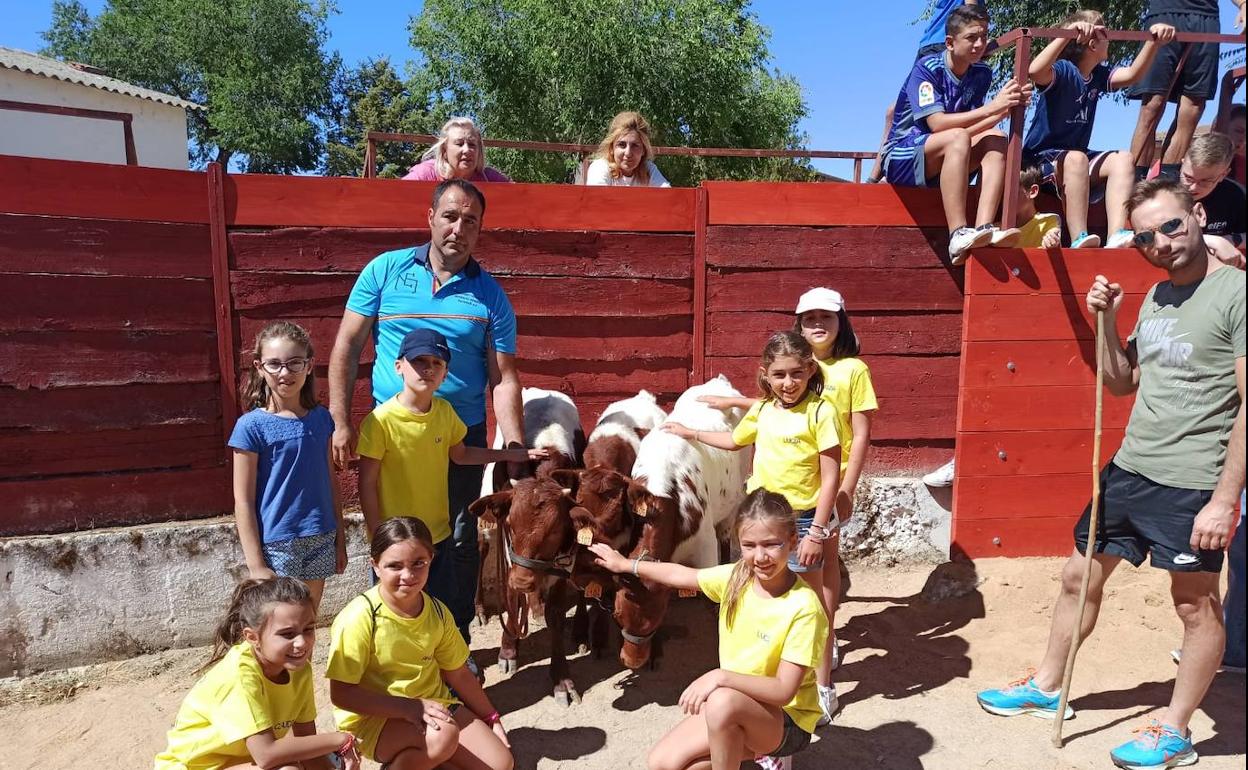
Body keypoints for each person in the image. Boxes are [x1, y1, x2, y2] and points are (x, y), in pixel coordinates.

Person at [976, 178, 1245, 769]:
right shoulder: (1154, 298)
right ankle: (1048, 688)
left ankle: (1175, 729)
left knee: (1194, 605)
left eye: (1172, 226)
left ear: (1198, 215)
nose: (1163, 243)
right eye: (1147, 236)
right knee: (1078, 577)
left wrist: (1225, 499)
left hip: (1192, 480)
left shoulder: (1238, 295)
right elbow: (1121, 382)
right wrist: (1106, 321)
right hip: (1128, 470)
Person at [330, 179, 526, 647]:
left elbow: (504, 378)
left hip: (458, 436)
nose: (459, 228)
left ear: (481, 230)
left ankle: (453, 642)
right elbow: (347, 346)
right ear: (431, 218)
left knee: (457, 541)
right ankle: (392, 639)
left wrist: (513, 447)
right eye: (450, 216)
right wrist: (340, 420)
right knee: (392, 538)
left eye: (471, 221)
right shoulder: (384, 271)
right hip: (393, 434)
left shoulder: (489, 295)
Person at [664, 331, 843, 726]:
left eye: (797, 373)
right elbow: (733, 440)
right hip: (760, 520)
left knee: (809, 606)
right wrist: (691, 433)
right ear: (765, 375)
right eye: (779, 375)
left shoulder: (821, 412)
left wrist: (815, 532)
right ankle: (771, 685)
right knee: (763, 602)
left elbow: (830, 477)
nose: (788, 383)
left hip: (798, 522)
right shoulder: (763, 410)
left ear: (810, 370)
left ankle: (823, 685)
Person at [701, 288, 879, 677]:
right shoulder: (788, 373)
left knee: (820, 572)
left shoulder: (851, 370)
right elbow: (775, 408)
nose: (817, 325)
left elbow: (861, 432)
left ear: (841, 322)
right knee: (770, 573)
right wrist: (730, 407)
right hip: (776, 494)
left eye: (826, 317)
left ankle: (822, 649)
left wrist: (848, 487)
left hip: (820, 487)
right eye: (809, 318)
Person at [589, 489, 828, 770]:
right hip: (735, 706)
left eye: (771, 544)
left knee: (721, 701)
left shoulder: (804, 607)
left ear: (792, 540)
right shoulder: (736, 578)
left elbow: (783, 691)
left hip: (786, 721)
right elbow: (681, 575)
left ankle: (765, 750)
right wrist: (627, 564)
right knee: (662, 764)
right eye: (749, 545)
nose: (760, 556)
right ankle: (746, 745)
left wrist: (720, 676)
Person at [357, 328, 546, 605]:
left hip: (437, 536)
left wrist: (508, 455)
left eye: (436, 363)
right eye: (419, 361)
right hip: (395, 540)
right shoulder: (380, 422)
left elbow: (462, 454)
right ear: (399, 367)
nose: (428, 369)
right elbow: (367, 483)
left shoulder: (444, 412)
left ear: (445, 373)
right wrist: (378, 536)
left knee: (437, 607)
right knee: (395, 611)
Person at [327, 517, 513, 770]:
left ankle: (424, 759)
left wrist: (491, 717)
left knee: (501, 764)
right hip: (376, 718)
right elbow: (342, 694)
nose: (408, 575)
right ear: (375, 566)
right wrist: (408, 707)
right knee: (443, 736)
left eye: (418, 563)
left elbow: (457, 673)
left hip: (435, 706)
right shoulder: (360, 617)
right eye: (394, 566)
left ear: (431, 560)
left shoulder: (437, 611)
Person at [155, 577, 360, 770]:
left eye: (308, 629)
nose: (302, 642)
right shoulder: (239, 677)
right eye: (287, 634)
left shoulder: (299, 670)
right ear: (252, 637)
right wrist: (340, 739)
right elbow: (266, 754)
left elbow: (310, 752)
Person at [880, 4, 1032, 263]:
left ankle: (984, 228)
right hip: (902, 156)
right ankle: (958, 234)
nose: (980, 44)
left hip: (948, 153)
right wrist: (993, 107)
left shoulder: (982, 73)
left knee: (996, 137)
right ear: (949, 42)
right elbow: (938, 124)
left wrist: (1006, 108)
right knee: (959, 137)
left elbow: (971, 129)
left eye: (984, 36)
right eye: (971, 37)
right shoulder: (927, 68)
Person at [1023, 12, 1175, 249]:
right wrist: (1066, 35)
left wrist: (1153, 42)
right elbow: (1034, 71)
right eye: (1105, 32)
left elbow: (1133, 75)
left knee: (1123, 159)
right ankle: (1079, 237)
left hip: (1076, 161)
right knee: (1076, 159)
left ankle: (1116, 234)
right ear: (1092, 42)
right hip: (1040, 160)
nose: (1110, 37)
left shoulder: (1097, 75)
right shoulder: (1063, 71)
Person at [229, 321, 344, 610]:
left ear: (309, 366)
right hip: (277, 544)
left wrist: (340, 539)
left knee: (308, 616)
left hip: (320, 535)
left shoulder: (321, 420)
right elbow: (243, 500)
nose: (285, 373)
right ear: (259, 367)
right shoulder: (250, 427)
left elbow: (330, 482)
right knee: (281, 618)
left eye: (294, 363)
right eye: (275, 364)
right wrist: (255, 564)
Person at [867, 0, 985, 184]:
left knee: (899, 109)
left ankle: (873, 177)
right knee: (936, 118)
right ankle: (881, 173)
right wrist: (978, 34)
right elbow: (971, 7)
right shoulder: (938, 60)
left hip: (936, 38)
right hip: (950, 41)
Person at [1125, 0, 1239, 181]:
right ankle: (1135, 180)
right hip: (1165, 13)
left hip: (1205, 17)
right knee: (1152, 105)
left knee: (1193, 105)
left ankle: (1167, 180)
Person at [1180, 132, 1246, 249]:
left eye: (1205, 181)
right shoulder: (1161, 190)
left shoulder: (1237, 195)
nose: (1193, 187)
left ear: (1223, 174)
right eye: (1188, 178)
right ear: (1182, 163)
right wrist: (1210, 241)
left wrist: (1230, 240)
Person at [402, 117, 512, 183]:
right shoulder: (426, 173)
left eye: (472, 144)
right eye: (459, 144)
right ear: (444, 150)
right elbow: (394, 197)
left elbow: (522, 198)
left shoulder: (490, 178)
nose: (467, 150)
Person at [584, 111, 671, 187]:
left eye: (635, 145)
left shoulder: (648, 169)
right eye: (622, 145)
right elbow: (596, 202)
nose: (628, 153)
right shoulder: (600, 167)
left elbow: (668, 197)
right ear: (611, 148)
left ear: (644, 150)